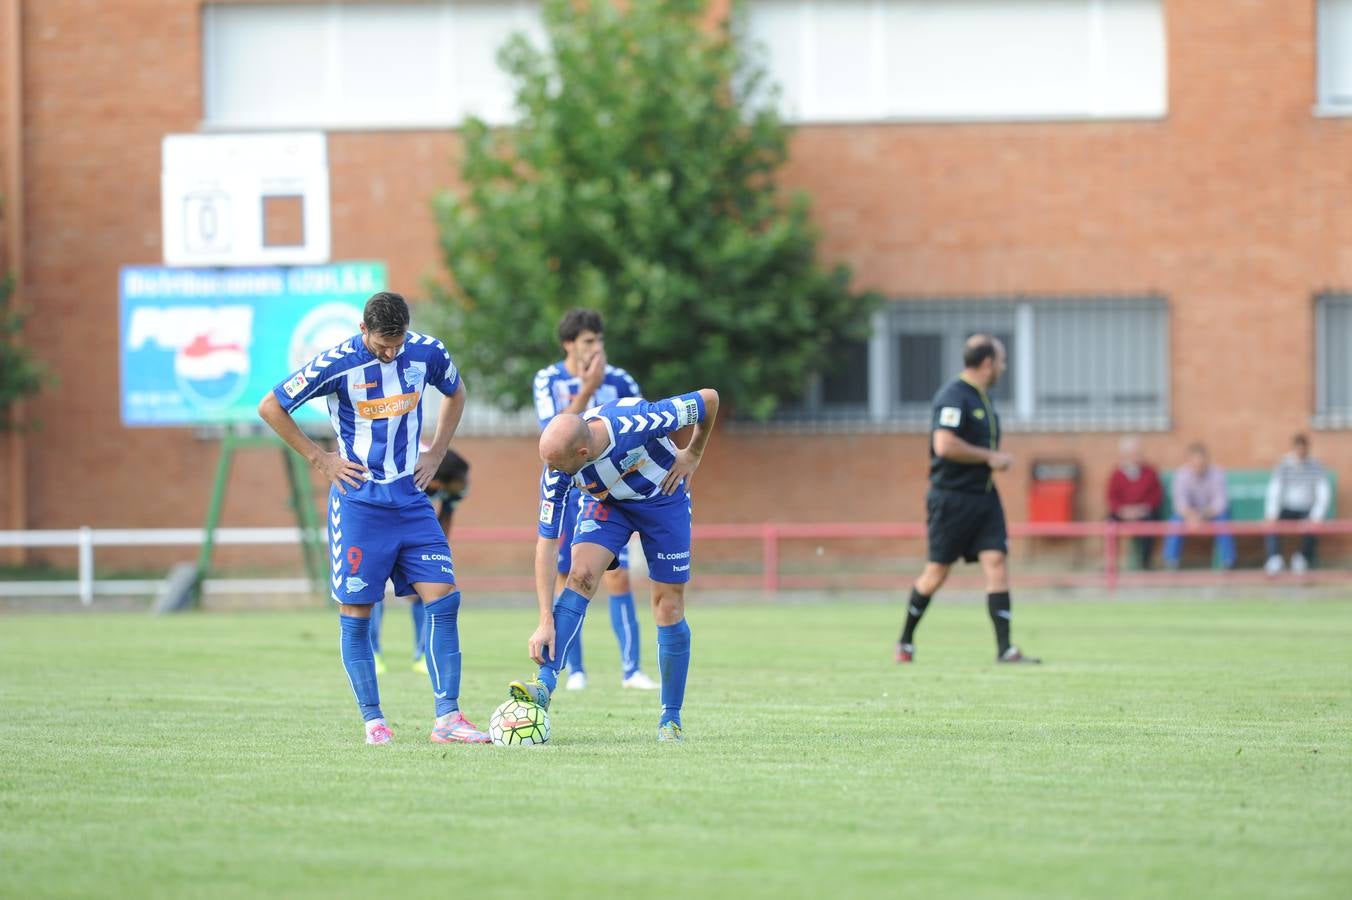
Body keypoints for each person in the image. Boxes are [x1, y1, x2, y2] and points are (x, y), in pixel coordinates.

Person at [257, 290, 490, 745]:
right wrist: (320, 459)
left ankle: (448, 718)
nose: (391, 352)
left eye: (397, 343)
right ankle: (374, 721)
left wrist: (438, 451)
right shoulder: (337, 363)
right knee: (358, 611)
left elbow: (456, 392)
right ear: (363, 330)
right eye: (383, 344)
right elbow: (271, 406)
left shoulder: (426, 352)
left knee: (443, 598)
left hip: (410, 498)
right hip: (359, 503)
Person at [509, 387, 720, 742]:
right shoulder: (557, 469)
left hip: (662, 499)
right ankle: (543, 686)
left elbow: (709, 399)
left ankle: (670, 719)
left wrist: (693, 453)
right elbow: (546, 543)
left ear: (583, 452)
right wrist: (544, 619)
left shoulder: (640, 421)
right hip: (607, 504)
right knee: (580, 576)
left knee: (667, 606)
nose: (552, 472)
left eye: (558, 465)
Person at [532, 308, 658, 692]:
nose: (596, 348)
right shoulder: (548, 380)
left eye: (600, 341)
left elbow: (643, 424)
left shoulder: (620, 380)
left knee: (618, 577)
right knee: (570, 576)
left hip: (611, 491)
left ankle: (631, 669)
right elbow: (554, 435)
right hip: (570, 489)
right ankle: (576, 670)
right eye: (588, 341)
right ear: (569, 344)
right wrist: (586, 389)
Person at [895, 335, 1040, 665]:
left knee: (996, 563)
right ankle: (905, 642)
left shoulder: (983, 398)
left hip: (985, 498)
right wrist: (990, 456)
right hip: (951, 499)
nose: (1004, 366)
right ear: (988, 362)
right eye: (1002, 360)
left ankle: (1005, 649)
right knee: (936, 574)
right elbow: (944, 445)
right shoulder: (953, 396)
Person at [369, 448, 470, 675]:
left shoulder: (453, 486)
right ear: (438, 482)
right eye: (461, 481)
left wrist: (431, 559)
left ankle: (423, 654)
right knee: (370, 588)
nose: (465, 485)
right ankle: (372, 652)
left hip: (415, 527)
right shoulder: (404, 469)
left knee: (431, 587)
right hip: (377, 522)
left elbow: (443, 521)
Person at [1263, 434, 1331, 575]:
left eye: (1304, 450)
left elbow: (1323, 492)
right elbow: (1275, 489)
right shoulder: (1284, 464)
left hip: (1306, 509)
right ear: (1294, 448)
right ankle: (1274, 558)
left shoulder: (1316, 466)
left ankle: (1302, 558)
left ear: (1308, 449)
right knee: (1271, 524)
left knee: (1314, 526)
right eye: (1299, 449)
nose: (1301, 453)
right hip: (1287, 508)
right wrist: (1272, 513)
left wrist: (1317, 515)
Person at [1162, 443, 1235, 570]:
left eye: (1201, 463)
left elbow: (1220, 503)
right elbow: (1179, 503)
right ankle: (1171, 561)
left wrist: (1203, 515)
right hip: (1188, 514)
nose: (1198, 467)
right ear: (1189, 462)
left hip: (1211, 513)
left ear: (1206, 461)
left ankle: (1228, 561)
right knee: (1176, 521)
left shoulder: (1217, 474)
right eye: (1194, 464)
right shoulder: (1181, 475)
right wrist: (1192, 516)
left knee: (1223, 520)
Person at [1106, 435, 1164, 570]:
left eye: (1139, 452)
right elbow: (1111, 497)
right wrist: (1124, 511)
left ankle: (1145, 563)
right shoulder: (1117, 474)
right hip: (1123, 513)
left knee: (1151, 522)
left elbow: (1156, 497)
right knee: (1109, 522)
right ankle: (1111, 563)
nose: (1138, 456)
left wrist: (1141, 510)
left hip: (1144, 512)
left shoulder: (1150, 472)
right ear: (1125, 455)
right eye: (1134, 453)